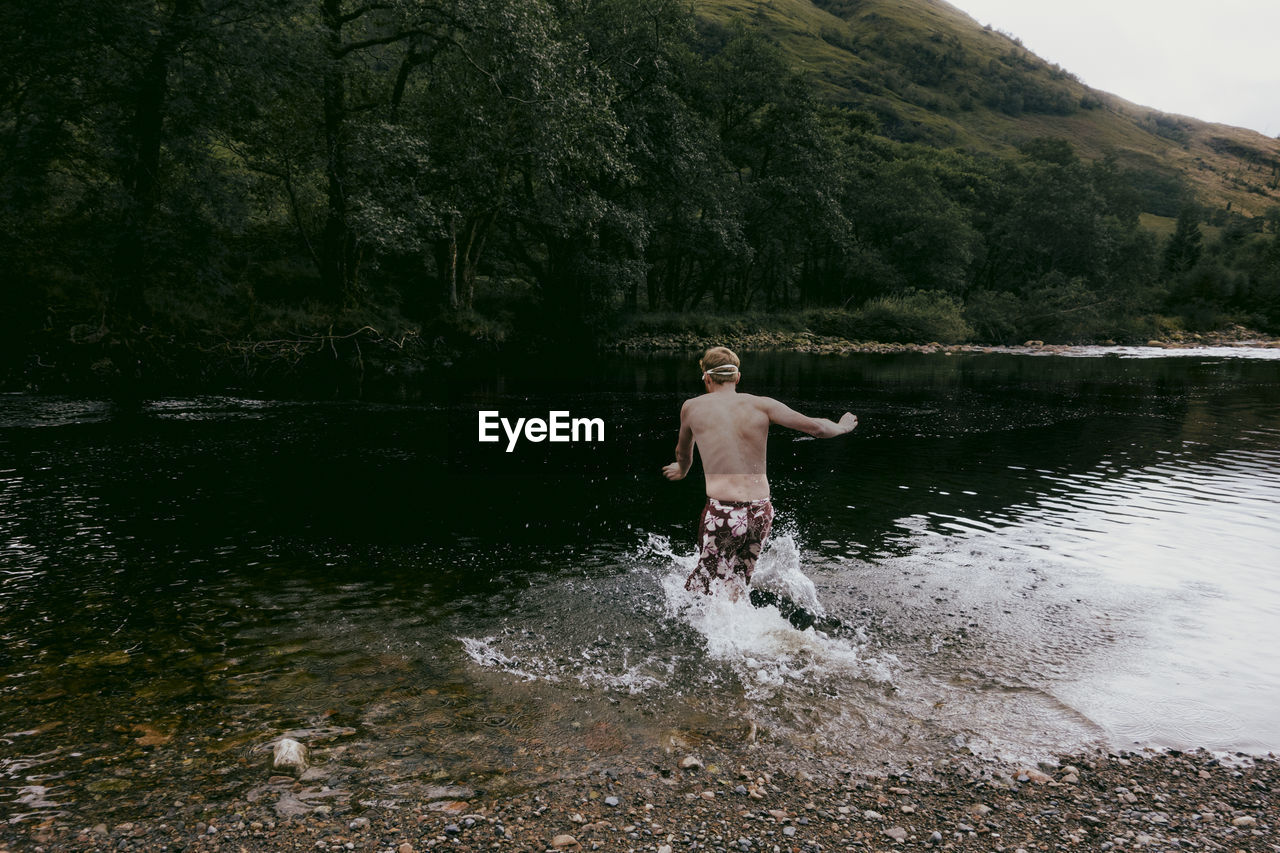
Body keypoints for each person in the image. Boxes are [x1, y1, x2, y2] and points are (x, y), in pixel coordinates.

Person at [662, 346, 857, 598]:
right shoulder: (763, 405)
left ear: (707, 378)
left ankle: (708, 633)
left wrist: (682, 469)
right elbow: (817, 428)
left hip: (724, 512)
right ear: (737, 377)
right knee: (739, 580)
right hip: (760, 511)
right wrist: (841, 427)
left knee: (702, 587)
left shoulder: (692, 407)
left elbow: (683, 452)